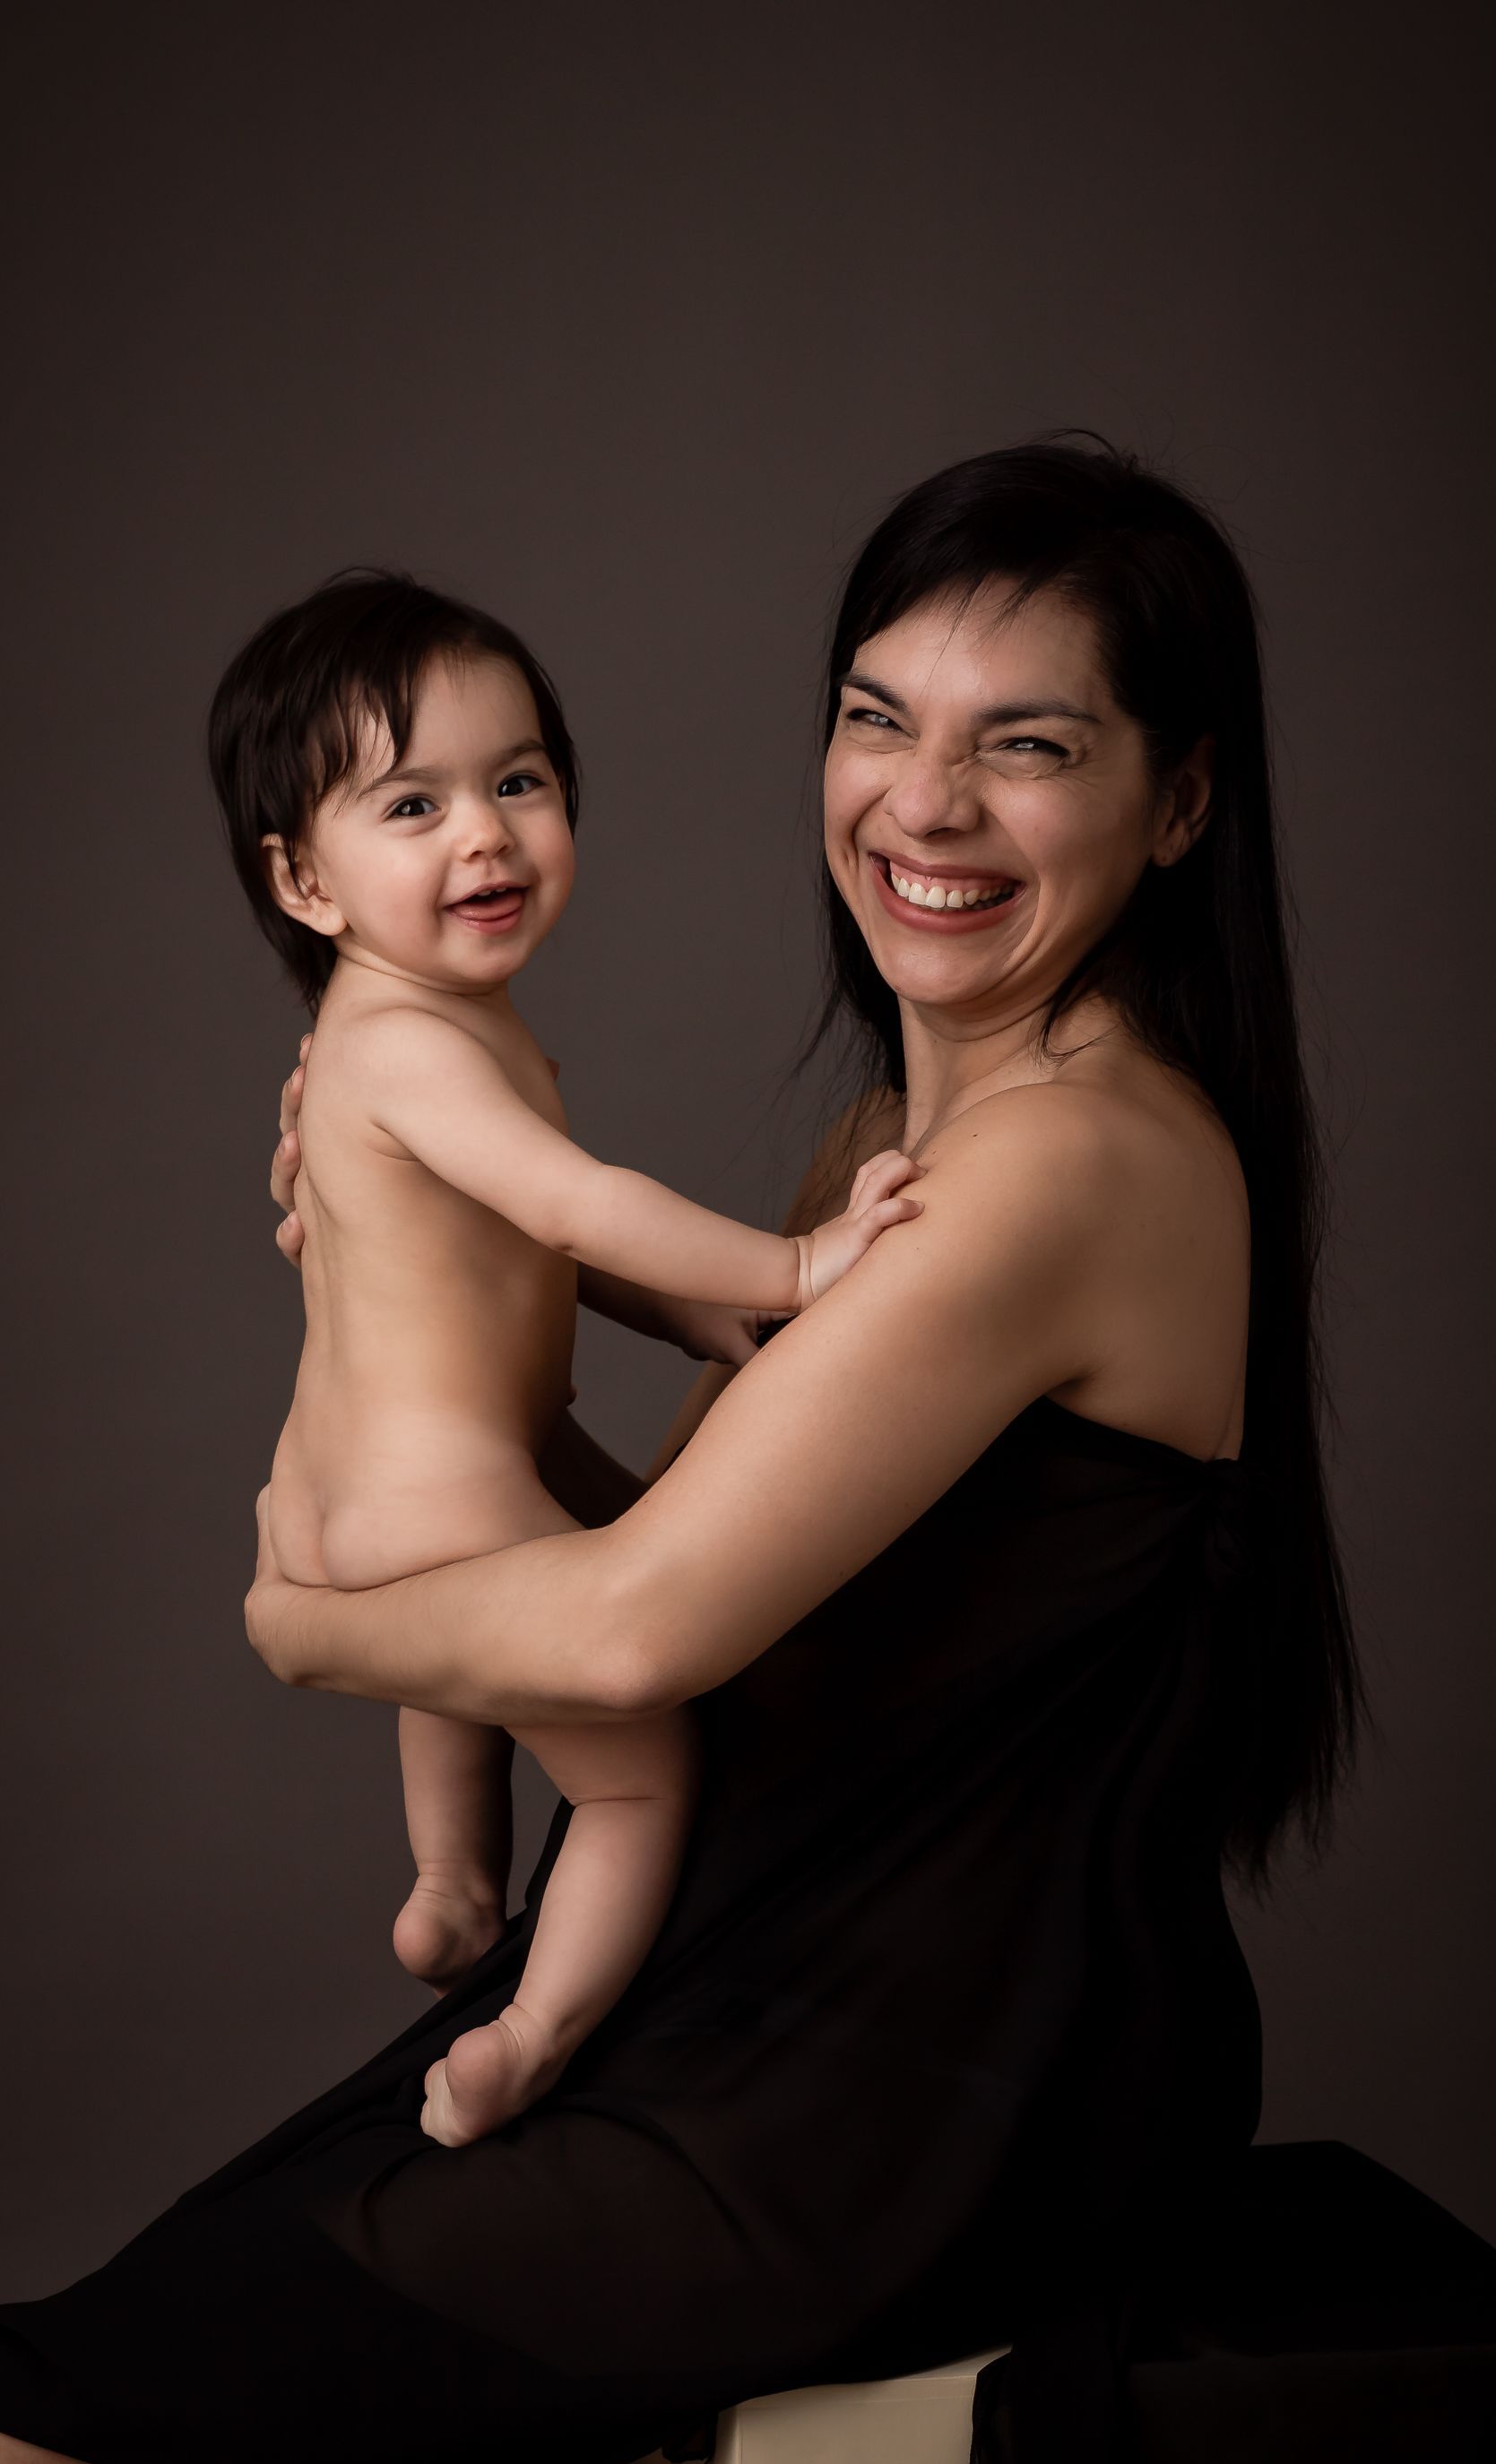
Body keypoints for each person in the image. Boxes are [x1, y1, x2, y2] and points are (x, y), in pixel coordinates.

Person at [0, 436, 1360, 2464]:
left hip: (914, 2080)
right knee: (116, 2354)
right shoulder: (898, 1159)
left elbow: (634, 1636)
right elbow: (739, 1600)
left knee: (101, 2408)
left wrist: (312, 1622)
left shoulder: (1067, 1157)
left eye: (1027, 747)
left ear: (1174, 802)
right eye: (876, 720)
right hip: (756, 1989)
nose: (923, 802)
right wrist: (418, 1323)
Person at [209, 571, 920, 2148]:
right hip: (445, 1502)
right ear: (301, 881)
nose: (486, 833)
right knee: (639, 1776)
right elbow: (580, 1202)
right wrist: (799, 1265)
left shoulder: (395, 1033)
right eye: (412, 803)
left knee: (466, 1664)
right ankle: (523, 2037)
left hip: (358, 1500)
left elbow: (537, 1254)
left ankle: (453, 1888)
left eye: (517, 780)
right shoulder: (403, 1045)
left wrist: (689, 1319)